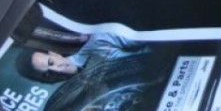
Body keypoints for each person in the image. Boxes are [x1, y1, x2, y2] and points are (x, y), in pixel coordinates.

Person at [15, 32, 151, 83]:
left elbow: (150, 46)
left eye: (51, 62)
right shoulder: (80, 87)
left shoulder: (99, 42)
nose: (56, 69)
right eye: (47, 73)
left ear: (54, 53)